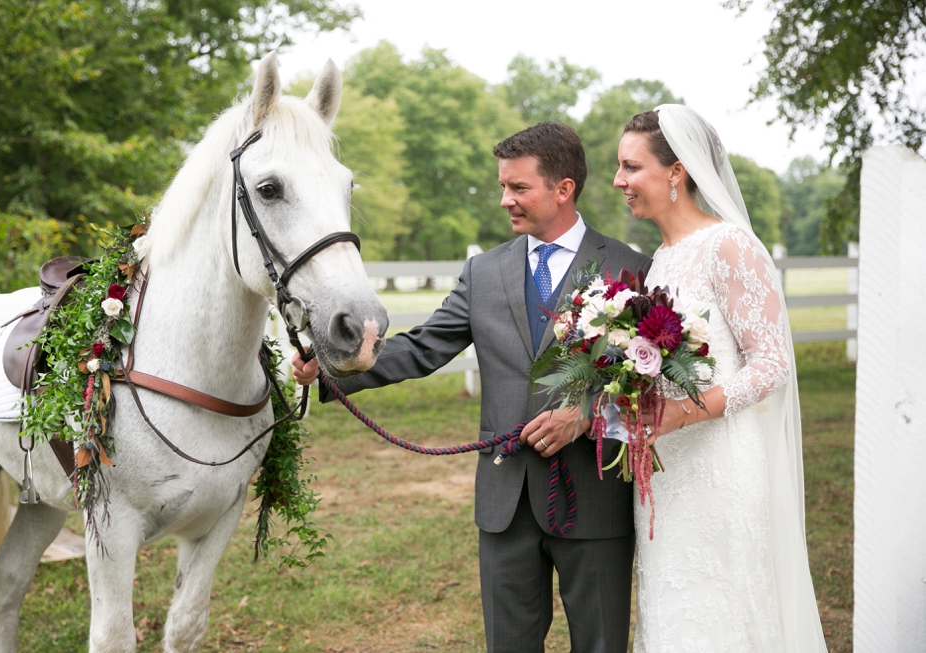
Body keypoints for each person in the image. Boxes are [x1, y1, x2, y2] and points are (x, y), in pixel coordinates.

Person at [293, 122, 651, 653]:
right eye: (502, 186)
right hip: (505, 504)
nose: (505, 199)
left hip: (595, 500)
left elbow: (651, 382)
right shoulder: (484, 272)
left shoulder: (630, 269)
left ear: (563, 188)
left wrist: (588, 413)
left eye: (519, 187)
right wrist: (335, 367)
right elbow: (423, 347)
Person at [613, 105, 827, 652]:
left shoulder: (728, 245)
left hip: (719, 467)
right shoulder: (660, 259)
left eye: (631, 167)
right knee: (672, 611)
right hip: (664, 472)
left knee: (723, 612)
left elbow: (772, 363)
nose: (620, 181)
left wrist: (683, 411)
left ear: (676, 172)